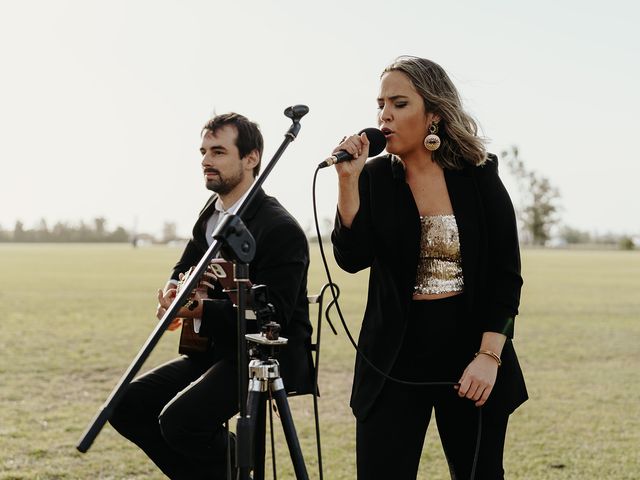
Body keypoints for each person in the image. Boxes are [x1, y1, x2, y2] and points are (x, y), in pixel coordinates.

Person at [330, 56, 528, 479]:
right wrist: (348, 181)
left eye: (399, 103)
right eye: (380, 103)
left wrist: (489, 357)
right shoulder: (374, 178)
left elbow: (506, 275)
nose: (384, 115)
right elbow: (351, 258)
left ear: (434, 113)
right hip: (393, 358)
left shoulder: (478, 173)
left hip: (470, 354)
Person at [109, 112, 314, 479]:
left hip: (265, 355)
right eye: (203, 151)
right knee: (126, 404)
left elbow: (275, 317)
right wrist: (174, 293)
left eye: (218, 151)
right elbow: (183, 267)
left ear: (251, 158)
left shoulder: (279, 228)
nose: (206, 160)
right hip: (217, 350)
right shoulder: (211, 214)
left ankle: (237, 469)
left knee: (181, 422)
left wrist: (199, 307)